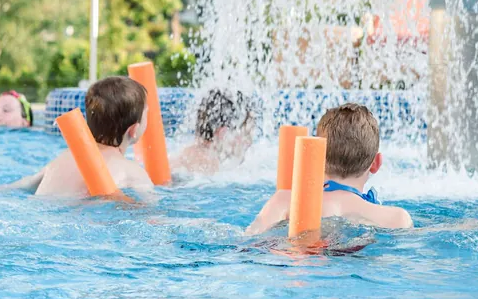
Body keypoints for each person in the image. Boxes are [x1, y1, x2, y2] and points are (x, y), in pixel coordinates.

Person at [246, 103, 413, 234]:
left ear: (315, 156)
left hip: (298, 258)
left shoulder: (284, 200)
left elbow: (249, 241)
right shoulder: (396, 218)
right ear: (376, 163)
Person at [3, 76, 154, 197]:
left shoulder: (63, 159)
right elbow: (149, 214)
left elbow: (24, 185)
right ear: (133, 130)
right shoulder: (132, 172)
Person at [171, 88, 257, 175]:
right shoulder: (207, 164)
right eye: (246, 135)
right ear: (223, 132)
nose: (248, 143)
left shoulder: (186, 155)